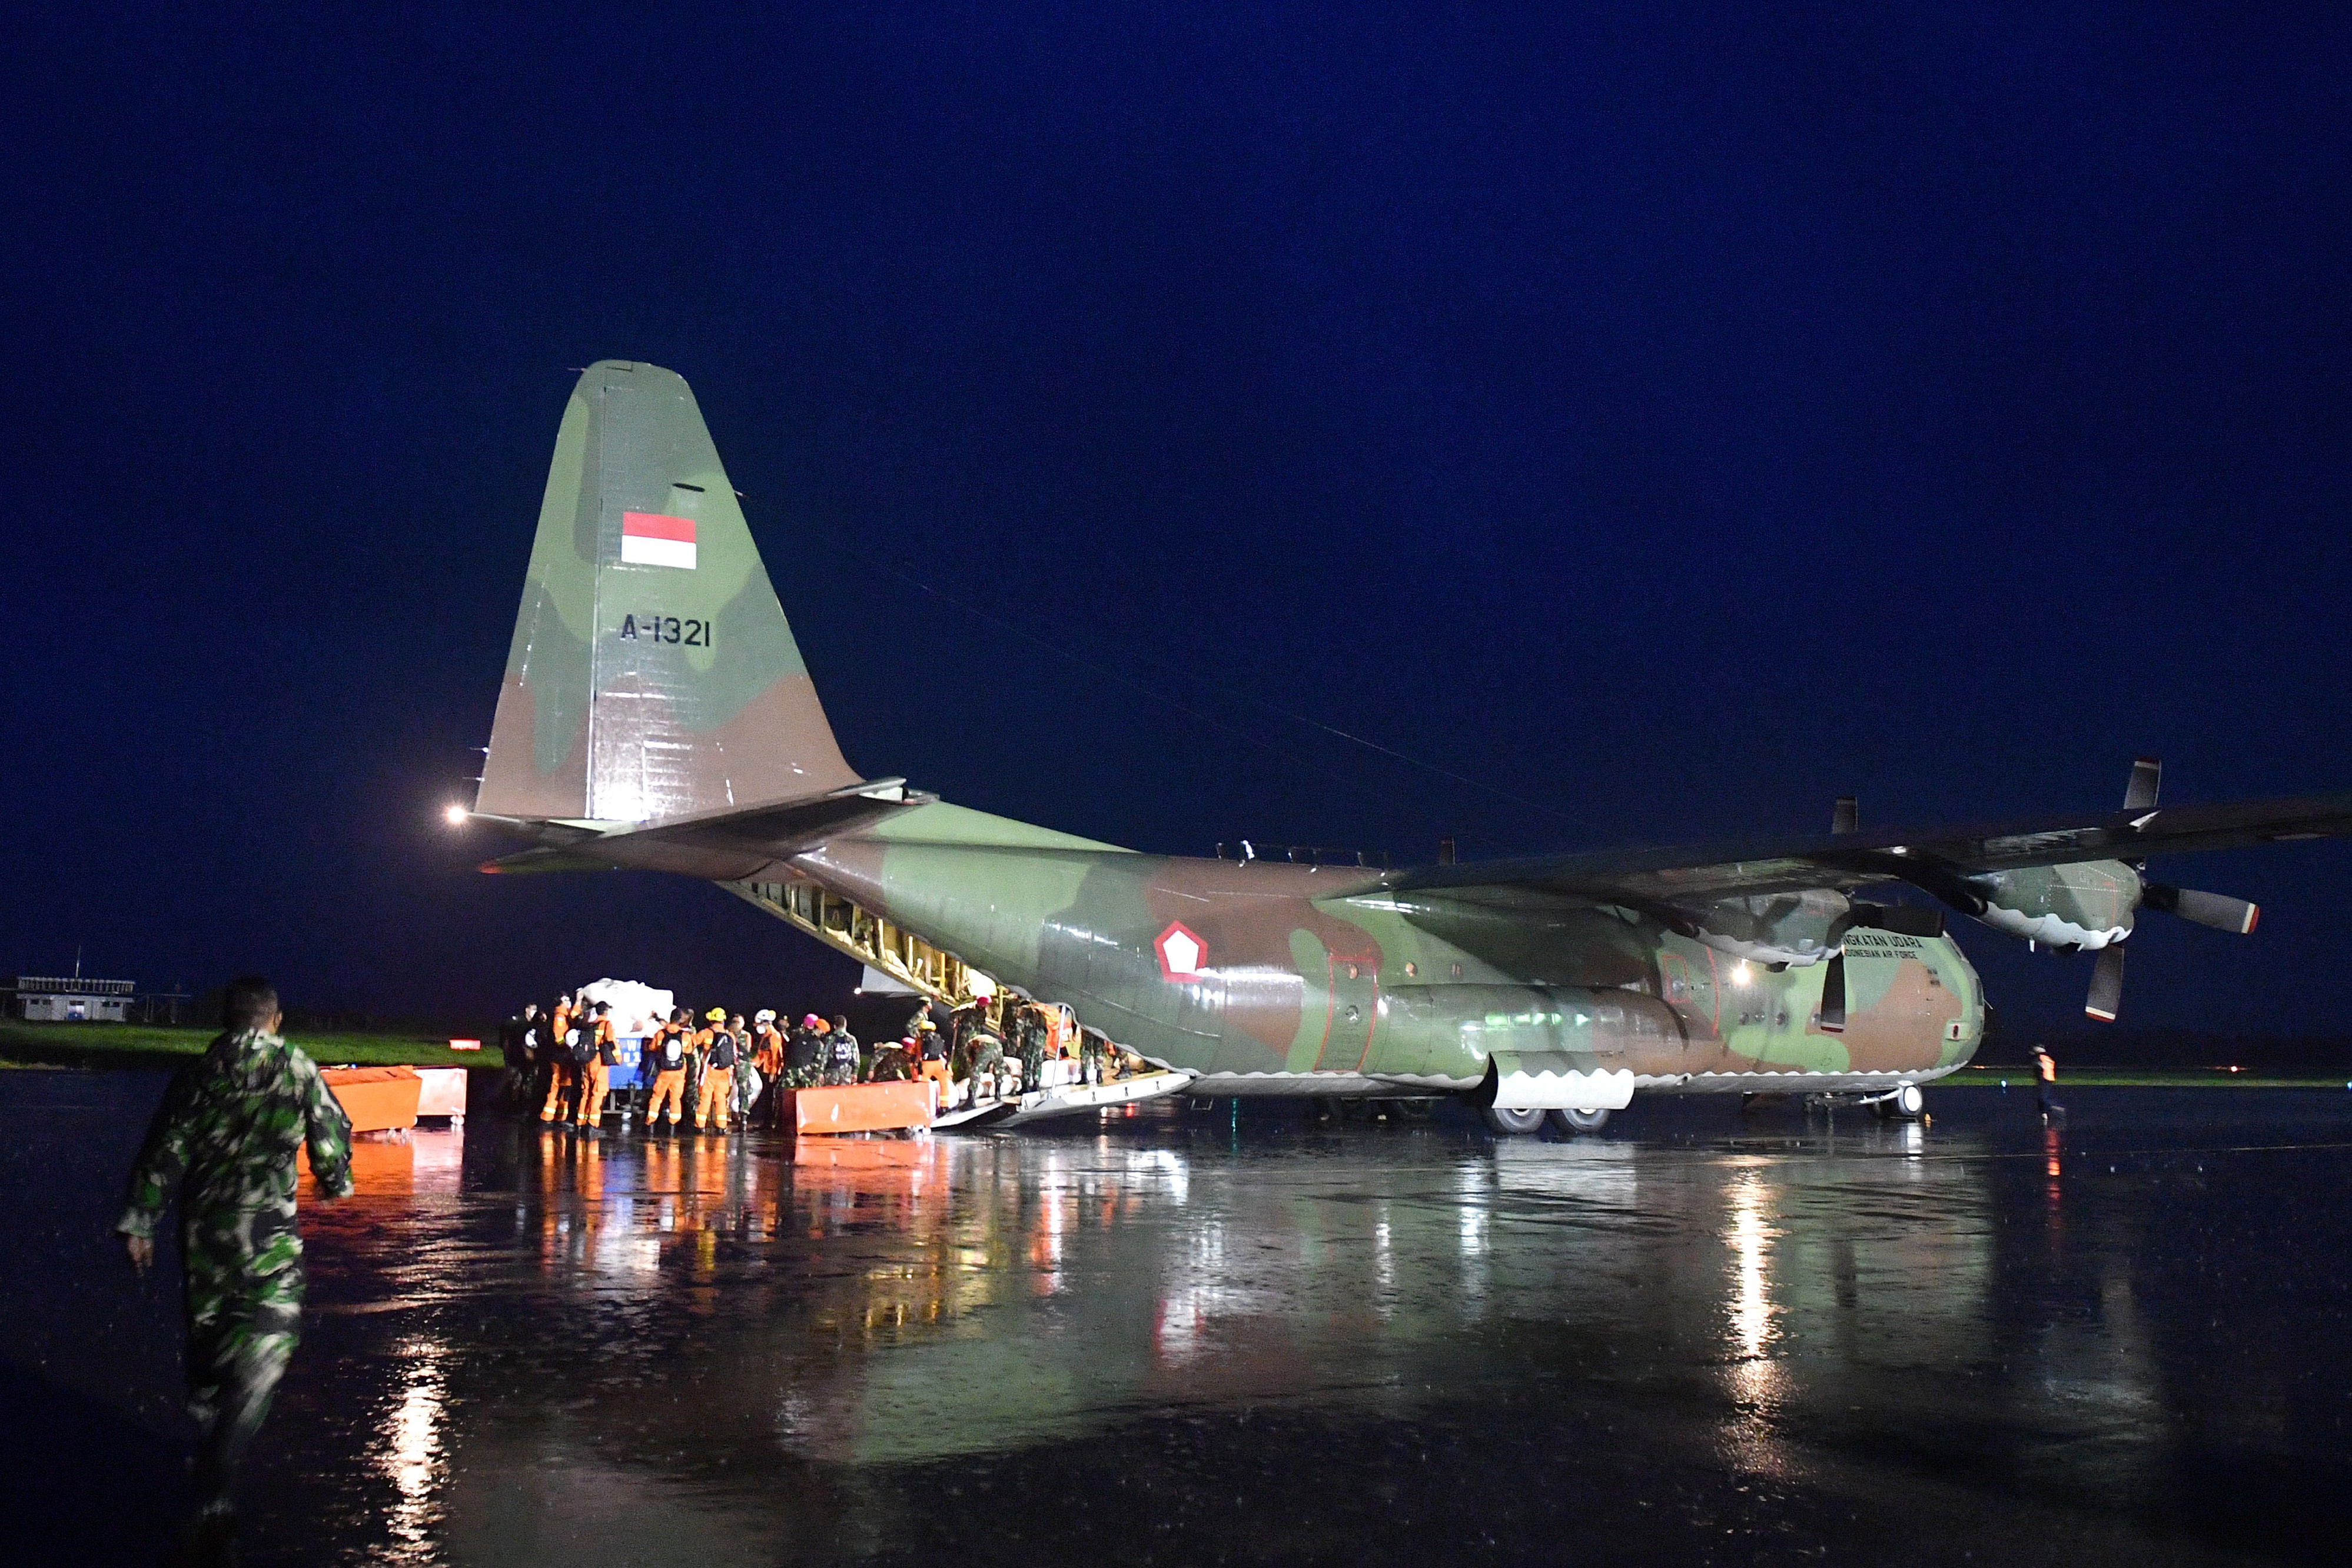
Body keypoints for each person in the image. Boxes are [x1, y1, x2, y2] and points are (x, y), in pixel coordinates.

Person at [117, 975, 353, 1560]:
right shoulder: (297, 1068)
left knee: (210, 1340)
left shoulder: (201, 1073)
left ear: (228, 1020)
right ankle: (217, 1482)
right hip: (268, 1241)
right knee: (268, 1346)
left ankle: (208, 1417)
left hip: (206, 1237)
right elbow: (332, 1133)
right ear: (275, 1019)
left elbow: (166, 1148)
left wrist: (140, 1221)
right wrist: (335, 1180)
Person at [645, 1007, 692, 1131]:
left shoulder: (661, 1034)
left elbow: (653, 1047)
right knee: (675, 1098)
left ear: (670, 1018)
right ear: (681, 1020)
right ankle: (673, 1127)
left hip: (664, 1071)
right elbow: (689, 1050)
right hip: (679, 1071)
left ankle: (651, 1124)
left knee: (657, 1097)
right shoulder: (685, 1035)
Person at [574, 1002, 617, 1135]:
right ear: (606, 1012)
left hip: (588, 1061)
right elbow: (611, 1043)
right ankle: (592, 1125)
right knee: (598, 1092)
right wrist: (617, 1059)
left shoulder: (590, 1025)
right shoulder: (606, 1024)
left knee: (587, 1092)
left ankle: (581, 1122)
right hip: (600, 1062)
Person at [696, 1008, 738, 1132]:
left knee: (705, 1098)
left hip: (710, 1070)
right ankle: (721, 1126)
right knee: (721, 1099)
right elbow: (734, 1055)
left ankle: (700, 1126)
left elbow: (692, 1042)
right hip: (725, 1072)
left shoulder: (706, 1033)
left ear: (711, 1020)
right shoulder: (730, 1035)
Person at [540, 992, 577, 1124]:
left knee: (565, 1086)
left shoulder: (565, 1015)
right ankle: (548, 1117)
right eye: (566, 1000)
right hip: (559, 1057)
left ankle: (560, 1117)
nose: (569, 1002)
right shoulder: (560, 1016)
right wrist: (568, 1047)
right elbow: (559, 1038)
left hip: (563, 1057)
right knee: (557, 1085)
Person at [826, 1014, 861, 1087]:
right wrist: (855, 1072)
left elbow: (824, 1055)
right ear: (845, 1025)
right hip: (846, 1072)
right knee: (845, 1092)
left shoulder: (830, 1039)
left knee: (830, 1092)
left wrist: (820, 1072)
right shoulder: (851, 1039)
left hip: (832, 1072)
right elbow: (856, 1056)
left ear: (835, 1026)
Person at [2034, 1045, 2063, 1122]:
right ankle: (2044, 1112)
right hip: (2048, 1078)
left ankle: (2052, 1108)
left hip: (2045, 1079)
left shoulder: (2040, 1057)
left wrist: (2040, 1077)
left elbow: (2039, 1067)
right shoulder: (2047, 1057)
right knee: (2043, 1097)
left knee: (2043, 1097)